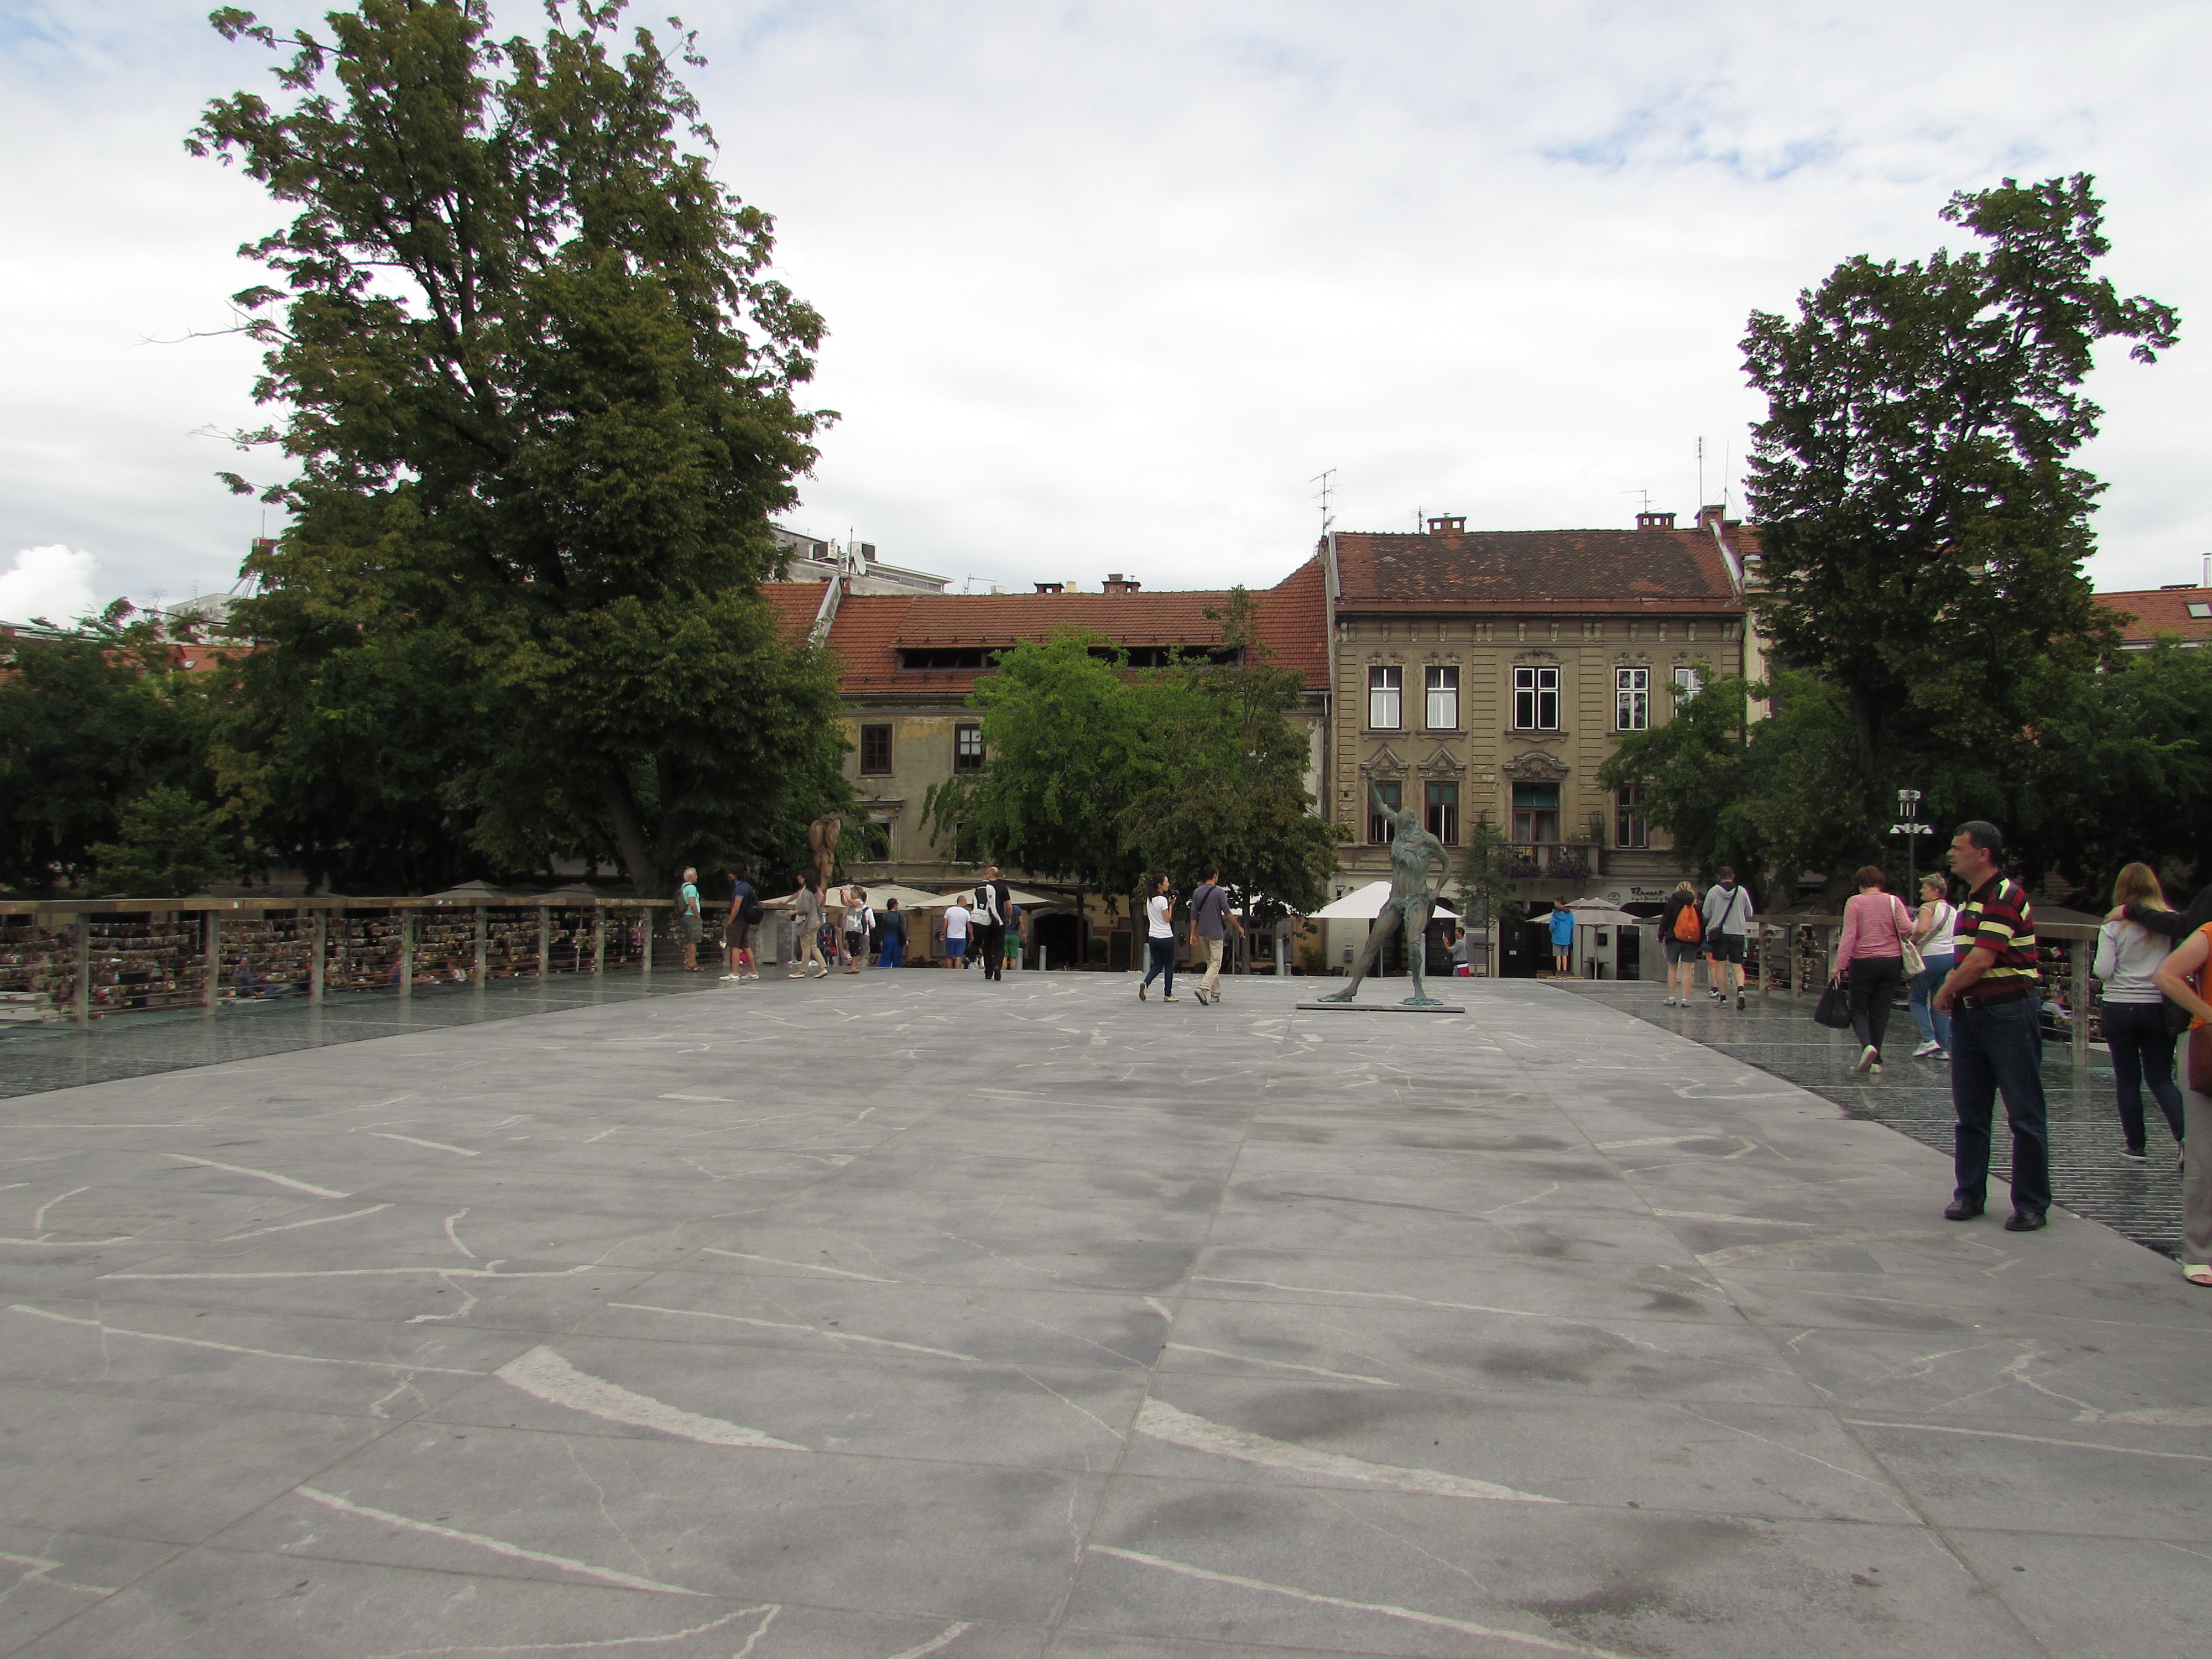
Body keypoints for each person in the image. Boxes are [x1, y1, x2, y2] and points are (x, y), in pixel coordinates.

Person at [1932, 821, 2048, 1231]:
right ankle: (1969, 1194)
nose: (1951, 854)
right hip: (1972, 1013)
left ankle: (2031, 1203)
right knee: (1971, 1112)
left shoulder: (2005, 895)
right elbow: (1970, 957)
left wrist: (1945, 991)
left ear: (1983, 854)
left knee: (2024, 1112)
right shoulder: (1971, 901)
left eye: (1958, 847)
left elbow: (1982, 958)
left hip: (2008, 1011)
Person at [2095, 863, 2184, 1163]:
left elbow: (2103, 970)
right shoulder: (2169, 923)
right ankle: (2185, 1138)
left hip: (2119, 1005)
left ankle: (2136, 1145)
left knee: (2127, 1078)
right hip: (2158, 1005)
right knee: (2161, 1078)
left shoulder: (2113, 926)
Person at [2151, 916, 2212, 1287]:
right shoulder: (2210, 933)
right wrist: (2209, 1014)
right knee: (2205, 1153)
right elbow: (2167, 975)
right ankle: (2200, 1252)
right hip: (2208, 1048)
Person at [1830, 865, 1913, 1074]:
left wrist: (1839, 966)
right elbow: (1907, 928)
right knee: (1881, 1010)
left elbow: (1849, 936)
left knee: (1858, 1008)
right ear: (1880, 883)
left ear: (1860, 884)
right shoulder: (1894, 901)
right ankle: (1876, 1058)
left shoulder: (1855, 902)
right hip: (1892, 961)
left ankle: (1867, 1046)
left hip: (1864, 961)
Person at [1906, 873, 1955, 1059]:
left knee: (1917, 1000)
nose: (1921, 891)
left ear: (1935, 891)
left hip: (1929, 957)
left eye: (1924, 888)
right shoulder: (1952, 910)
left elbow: (1922, 929)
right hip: (1949, 957)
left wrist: (1912, 941)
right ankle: (1943, 1047)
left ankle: (1928, 1040)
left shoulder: (1927, 908)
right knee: (1939, 1001)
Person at [1701, 867, 1755, 1009]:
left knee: (1720, 965)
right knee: (1737, 965)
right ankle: (1741, 990)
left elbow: (1706, 913)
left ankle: (1723, 998)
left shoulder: (1713, 891)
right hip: (1737, 932)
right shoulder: (1741, 891)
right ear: (1733, 876)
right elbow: (1749, 913)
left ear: (1719, 877)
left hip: (1719, 934)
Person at [1188, 866, 1240, 1007]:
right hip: (1216, 933)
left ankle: (1215, 993)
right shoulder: (1219, 892)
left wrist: (1192, 933)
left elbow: (1194, 914)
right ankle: (1203, 988)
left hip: (1203, 932)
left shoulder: (1197, 892)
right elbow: (1227, 913)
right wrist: (1239, 927)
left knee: (1211, 964)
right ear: (1215, 876)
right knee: (1216, 963)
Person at [1660, 879, 1702, 1006]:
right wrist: (1700, 941)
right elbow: (1701, 923)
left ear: (1678, 889)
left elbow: (1666, 919)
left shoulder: (1672, 900)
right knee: (1687, 969)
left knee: (1672, 968)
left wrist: (1661, 935)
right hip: (1691, 940)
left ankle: (1672, 997)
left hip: (1673, 938)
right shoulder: (1695, 903)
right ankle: (1685, 999)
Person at [1139, 873, 1178, 1001]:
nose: (1168, 884)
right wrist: (1171, 906)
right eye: (1166, 882)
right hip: (1165, 936)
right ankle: (1168, 994)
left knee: (1157, 965)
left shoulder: (1150, 900)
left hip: (1153, 936)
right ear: (1160, 885)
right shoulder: (1162, 900)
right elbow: (1167, 919)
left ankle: (1146, 983)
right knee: (1168, 966)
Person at [973, 867, 1012, 982]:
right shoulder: (1003, 887)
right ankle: (997, 965)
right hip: (999, 921)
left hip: (986, 921)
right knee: (1000, 946)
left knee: (987, 946)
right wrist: (1008, 917)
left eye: (986, 873)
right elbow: (1009, 906)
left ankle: (988, 972)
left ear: (990, 874)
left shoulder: (983, 887)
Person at [788, 872, 829, 979]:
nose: (800, 880)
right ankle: (823, 967)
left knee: (806, 947)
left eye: (802, 878)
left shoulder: (806, 892)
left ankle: (802, 970)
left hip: (808, 923)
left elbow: (806, 909)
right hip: (815, 921)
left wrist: (795, 912)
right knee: (813, 946)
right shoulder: (813, 891)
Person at [723, 868, 760, 982]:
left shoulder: (740, 888)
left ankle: (735, 973)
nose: (729, 876)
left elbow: (736, 906)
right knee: (745, 945)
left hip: (738, 920)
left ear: (735, 875)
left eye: (730, 873)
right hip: (746, 920)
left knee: (734, 945)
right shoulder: (747, 886)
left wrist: (730, 920)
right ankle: (753, 972)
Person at [676, 867, 703, 972]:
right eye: (696, 875)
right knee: (694, 940)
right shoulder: (692, 888)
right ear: (691, 876)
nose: (697, 877)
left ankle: (692, 962)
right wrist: (697, 915)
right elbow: (692, 903)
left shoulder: (683, 888)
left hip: (684, 916)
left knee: (690, 940)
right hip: (691, 916)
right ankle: (692, 964)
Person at [839, 884, 870, 973]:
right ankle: (854, 966)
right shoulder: (852, 904)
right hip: (850, 928)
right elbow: (845, 902)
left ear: (857, 894)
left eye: (852, 892)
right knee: (852, 948)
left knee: (855, 948)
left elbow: (849, 899)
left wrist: (845, 892)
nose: (851, 894)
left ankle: (855, 967)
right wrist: (842, 895)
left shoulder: (859, 902)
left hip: (855, 929)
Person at [877, 899, 908, 969]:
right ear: (895, 905)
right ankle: (896, 969)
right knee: (897, 956)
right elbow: (903, 928)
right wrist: (906, 938)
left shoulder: (885, 916)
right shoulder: (900, 916)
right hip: (897, 937)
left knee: (886, 955)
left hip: (888, 937)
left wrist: (882, 940)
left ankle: (883, 968)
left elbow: (883, 929)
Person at [942, 896, 972, 969]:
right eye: (965, 901)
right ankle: (957, 972)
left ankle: (949, 971)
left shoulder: (949, 910)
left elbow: (945, 924)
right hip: (961, 938)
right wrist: (972, 936)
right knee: (959, 956)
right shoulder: (966, 912)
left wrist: (942, 934)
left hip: (950, 937)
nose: (966, 903)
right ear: (961, 901)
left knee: (949, 956)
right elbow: (969, 926)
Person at [1548, 904, 1574, 975]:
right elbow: (1572, 926)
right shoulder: (1570, 915)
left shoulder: (1555, 915)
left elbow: (1552, 926)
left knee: (1558, 955)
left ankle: (1559, 971)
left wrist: (1552, 931)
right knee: (1565, 955)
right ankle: (1565, 971)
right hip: (1566, 937)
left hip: (1557, 937)